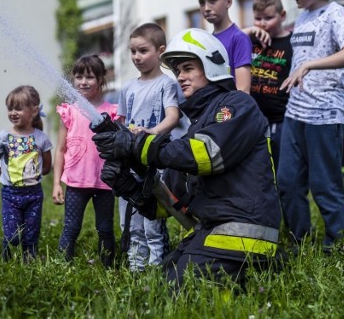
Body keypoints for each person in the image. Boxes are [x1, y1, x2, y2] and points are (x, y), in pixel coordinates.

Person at [92, 28, 281, 288]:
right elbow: (169, 201)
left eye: (188, 68)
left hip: (243, 231)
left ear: (211, 66)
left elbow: (208, 154)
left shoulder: (236, 105)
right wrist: (129, 186)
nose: (180, 76)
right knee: (164, 279)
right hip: (215, 229)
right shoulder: (197, 127)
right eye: (178, 70)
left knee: (181, 289)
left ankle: (247, 286)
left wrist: (138, 145)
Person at [278, 0, 344, 251]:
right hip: (295, 112)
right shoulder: (302, 19)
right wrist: (340, 74)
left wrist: (315, 67)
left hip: (325, 114)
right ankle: (299, 242)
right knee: (287, 183)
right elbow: (316, 57)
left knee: (324, 186)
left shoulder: (336, 13)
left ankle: (336, 247)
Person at [117, 22, 180, 272]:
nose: (136, 57)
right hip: (129, 165)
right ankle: (136, 269)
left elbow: (173, 116)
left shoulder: (166, 84)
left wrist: (152, 133)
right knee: (129, 222)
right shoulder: (127, 88)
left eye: (142, 51)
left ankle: (157, 268)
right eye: (132, 51)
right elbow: (121, 124)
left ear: (160, 51)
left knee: (152, 221)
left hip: (155, 164)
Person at [52, 55, 117, 266]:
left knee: (105, 228)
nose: (83, 82)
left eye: (89, 77)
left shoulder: (112, 113)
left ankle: (109, 268)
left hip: (105, 183)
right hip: (76, 183)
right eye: (78, 76)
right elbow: (60, 150)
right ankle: (62, 268)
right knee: (71, 227)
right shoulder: (69, 110)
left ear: (100, 80)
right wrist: (56, 184)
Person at [0, 85, 53, 261]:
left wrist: (32, 175)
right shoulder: (3, 137)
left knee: (31, 234)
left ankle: (29, 262)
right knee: (12, 235)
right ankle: (6, 261)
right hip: (10, 194)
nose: (13, 113)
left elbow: (47, 167)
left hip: (34, 194)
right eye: (10, 108)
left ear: (33, 111)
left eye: (18, 108)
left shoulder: (41, 138)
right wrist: (8, 178)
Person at [243, 0, 292, 172]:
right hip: (254, 119)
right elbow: (224, 43)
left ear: (282, 15)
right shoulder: (249, 40)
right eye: (257, 19)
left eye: (268, 18)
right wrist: (249, 31)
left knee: (281, 171)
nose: (262, 24)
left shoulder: (292, 42)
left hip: (281, 120)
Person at [189, 0, 253, 93]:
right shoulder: (208, 41)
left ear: (228, 2)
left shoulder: (239, 38)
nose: (206, 8)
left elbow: (243, 91)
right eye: (202, 3)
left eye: (212, 0)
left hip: (229, 109)